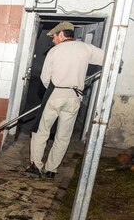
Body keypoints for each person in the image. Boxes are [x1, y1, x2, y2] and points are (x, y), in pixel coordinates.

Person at [26, 21, 104, 179]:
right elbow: (108, 58)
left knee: (41, 131)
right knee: (63, 135)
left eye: (54, 36)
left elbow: (45, 78)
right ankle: (51, 169)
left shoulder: (55, 51)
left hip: (55, 94)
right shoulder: (86, 48)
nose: (53, 40)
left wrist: (53, 88)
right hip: (74, 97)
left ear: (61, 34)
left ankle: (35, 166)